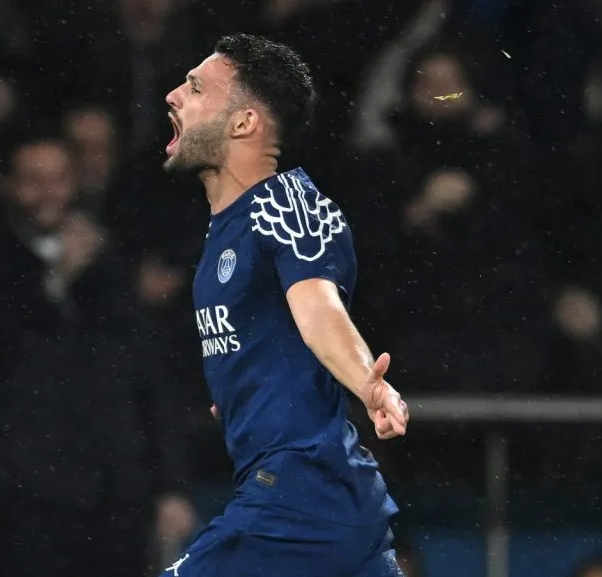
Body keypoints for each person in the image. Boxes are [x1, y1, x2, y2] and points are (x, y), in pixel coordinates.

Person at [159, 33, 410, 577]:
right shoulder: (227, 230)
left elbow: (319, 307)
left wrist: (367, 383)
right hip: (320, 502)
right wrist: (239, 393)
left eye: (196, 87)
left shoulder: (283, 203)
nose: (173, 95)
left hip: (302, 497)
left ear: (244, 123)